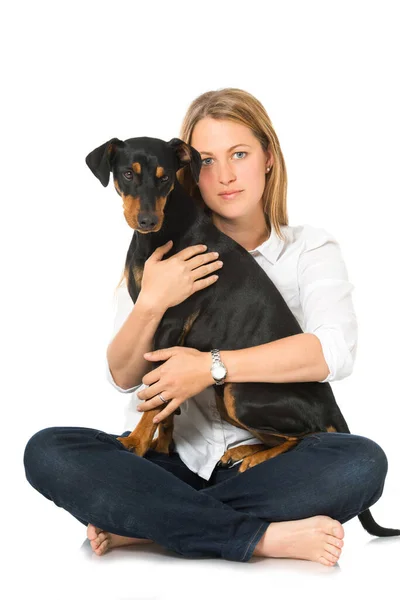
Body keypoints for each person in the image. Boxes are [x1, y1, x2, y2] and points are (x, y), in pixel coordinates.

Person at [23, 88, 388, 567]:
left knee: (361, 462)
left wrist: (210, 368)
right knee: (47, 450)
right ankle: (261, 537)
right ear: (187, 167)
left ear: (269, 158)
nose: (225, 175)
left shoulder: (311, 249)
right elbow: (123, 376)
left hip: (275, 462)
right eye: (208, 160)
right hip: (174, 464)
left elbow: (333, 353)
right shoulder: (156, 248)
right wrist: (151, 300)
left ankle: (152, 526)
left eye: (239, 154)